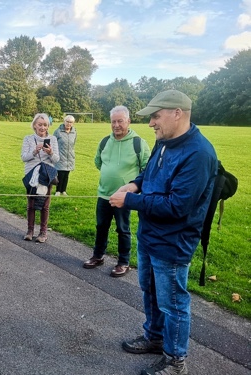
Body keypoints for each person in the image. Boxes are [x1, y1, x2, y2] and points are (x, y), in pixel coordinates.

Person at [109, 90, 217, 375]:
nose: (151, 123)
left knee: (173, 304)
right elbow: (149, 174)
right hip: (149, 234)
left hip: (173, 242)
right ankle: (155, 338)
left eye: (156, 116)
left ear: (177, 113)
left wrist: (129, 201)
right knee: (150, 292)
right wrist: (133, 185)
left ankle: (176, 361)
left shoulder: (199, 153)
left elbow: (177, 206)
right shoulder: (164, 141)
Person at [83, 106, 150, 277]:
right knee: (101, 226)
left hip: (125, 197)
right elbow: (98, 162)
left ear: (128, 121)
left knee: (123, 229)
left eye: (120, 121)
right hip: (104, 194)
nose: (116, 125)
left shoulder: (138, 143)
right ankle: (98, 256)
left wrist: (131, 186)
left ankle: (123, 262)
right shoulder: (105, 141)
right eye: (113, 121)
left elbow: (146, 169)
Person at [21, 113, 59, 243]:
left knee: (45, 205)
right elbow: (24, 157)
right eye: (40, 125)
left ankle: (43, 232)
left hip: (46, 175)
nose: (43, 128)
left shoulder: (53, 139)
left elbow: (56, 159)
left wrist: (51, 152)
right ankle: (30, 231)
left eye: (45, 125)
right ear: (34, 125)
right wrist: (35, 151)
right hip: (32, 175)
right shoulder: (28, 139)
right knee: (31, 204)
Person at [53, 114, 77, 196]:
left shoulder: (74, 132)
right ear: (64, 121)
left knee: (66, 174)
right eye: (67, 121)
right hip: (60, 155)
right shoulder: (58, 132)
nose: (69, 124)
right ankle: (58, 190)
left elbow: (73, 143)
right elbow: (53, 143)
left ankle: (63, 190)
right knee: (60, 174)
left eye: (71, 122)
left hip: (69, 156)